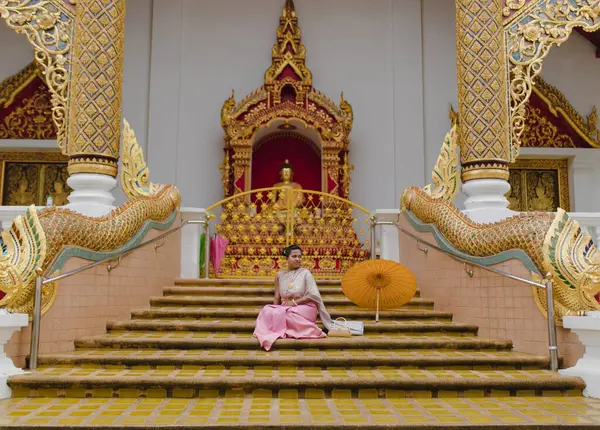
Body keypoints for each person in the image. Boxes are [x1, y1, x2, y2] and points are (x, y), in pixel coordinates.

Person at [253, 244, 332, 351]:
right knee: (267, 310)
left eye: (300, 256)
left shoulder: (305, 273)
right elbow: (277, 296)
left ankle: (307, 328)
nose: (298, 259)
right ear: (287, 258)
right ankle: (284, 326)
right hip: (286, 307)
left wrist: (294, 302)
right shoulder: (279, 275)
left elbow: (313, 295)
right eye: (294, 256)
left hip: (305, 306)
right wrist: (275, 311)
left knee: (288, 315)